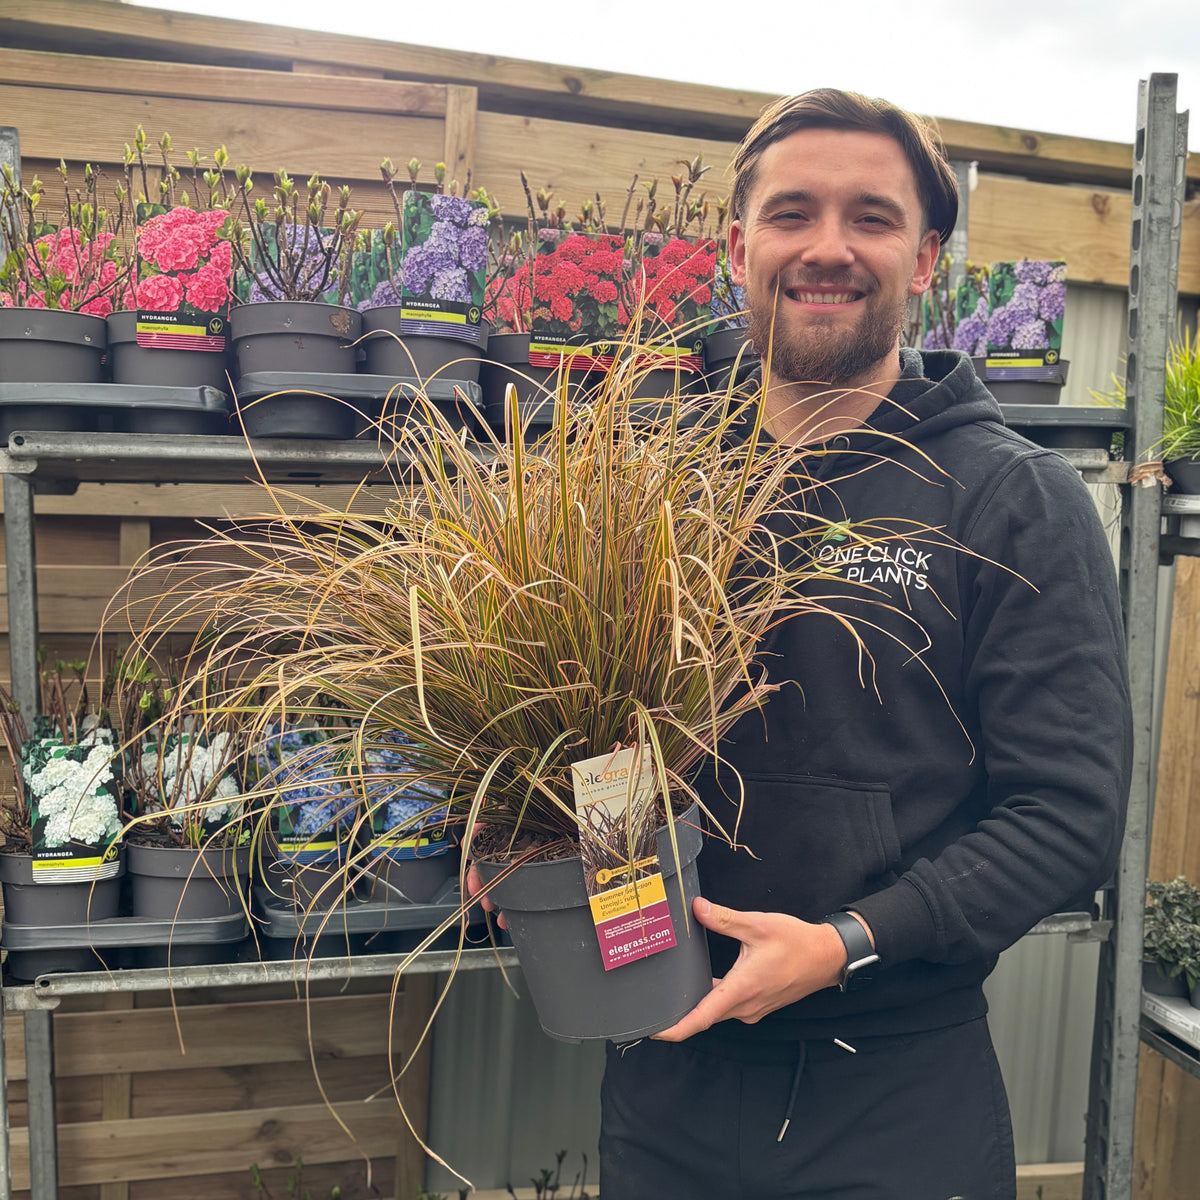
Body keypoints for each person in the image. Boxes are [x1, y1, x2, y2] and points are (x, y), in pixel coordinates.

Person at [478, 88, 1133, 1200]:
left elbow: (1070, 814)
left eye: (870, 218)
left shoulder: (1013, 501)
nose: (828, 248)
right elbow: (588, 729)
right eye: (793, 214)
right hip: (663, 1066)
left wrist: (844, 941)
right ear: (738, 247)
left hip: (894, 1092)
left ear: (927, 260)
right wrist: (520, 831)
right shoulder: (644, 485)